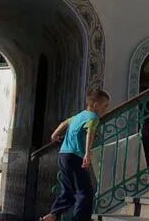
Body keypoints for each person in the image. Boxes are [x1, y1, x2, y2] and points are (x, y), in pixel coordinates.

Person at [43, 88, 111, 221]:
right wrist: (87, 153)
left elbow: (64, 123)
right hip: (75, 157)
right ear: (96, 105)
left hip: (63, 155)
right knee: (85, 192)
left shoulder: (79, 115)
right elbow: (90, 133)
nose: (106, 109)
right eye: (105, 106)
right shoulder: (94, 117)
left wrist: (54, 134)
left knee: (68, 190)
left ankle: (53, 214)